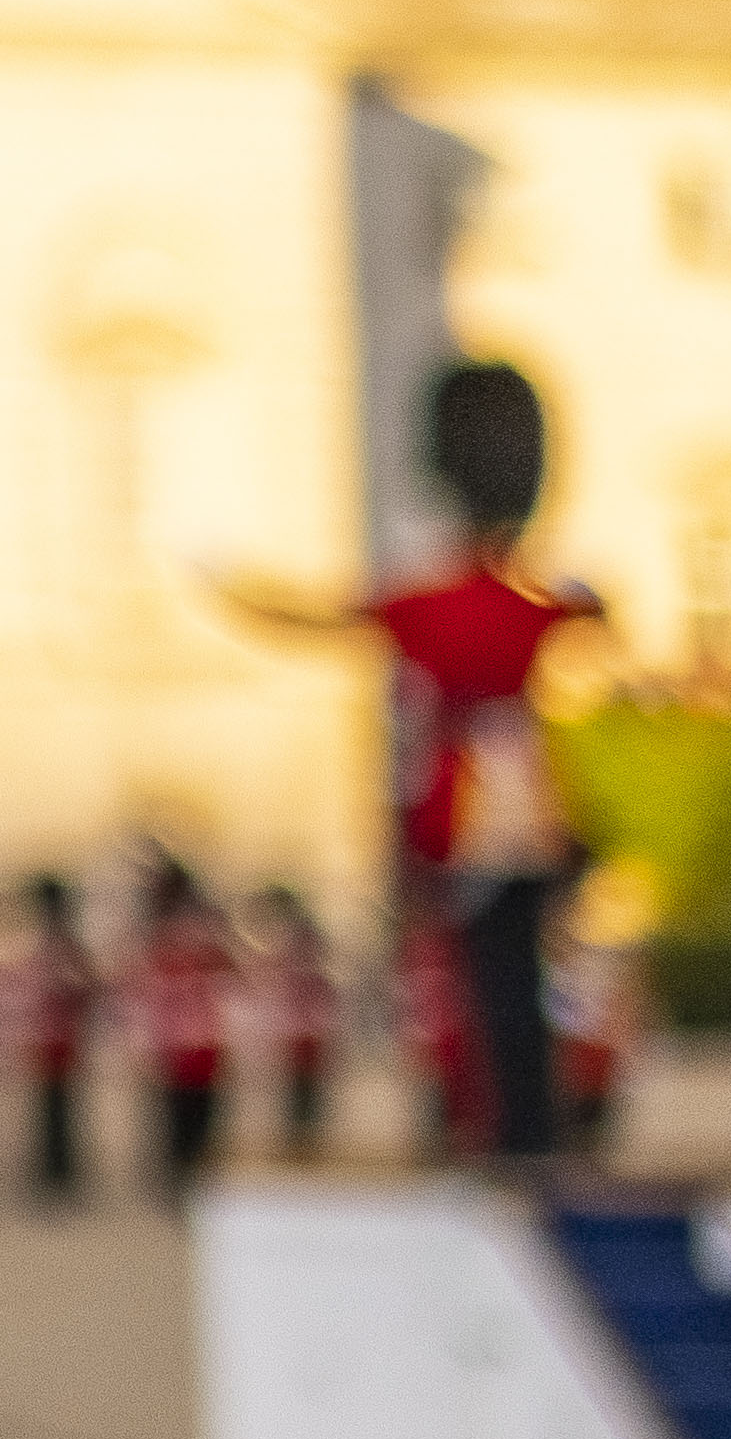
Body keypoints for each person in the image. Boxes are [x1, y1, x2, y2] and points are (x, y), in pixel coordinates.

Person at [223, 358, 603, 1166]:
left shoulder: (428, 602)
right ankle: (532, 1123)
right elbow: (598, 619)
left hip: (460, 802)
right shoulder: (532, 603)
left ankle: (488, 1122)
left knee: (473, 976)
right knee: (520, 973)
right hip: (526, 798)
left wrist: (233, 592)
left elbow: (313, 615)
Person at [134, 866, 239, 1205]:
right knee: (182, 1119)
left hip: (198, 1044)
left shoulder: (199, 946)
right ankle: (182, 1180)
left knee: (192, 1118)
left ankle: (191, 1180)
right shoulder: (168, 947)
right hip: (184, 1045)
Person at [250, 883, 341, 1159]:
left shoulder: (301, 946)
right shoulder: (290, 946)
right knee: (297, 1091)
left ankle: (306, 1143)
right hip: (298, 1028)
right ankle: (299, 1143)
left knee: (307, 1091)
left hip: (307, 1028)